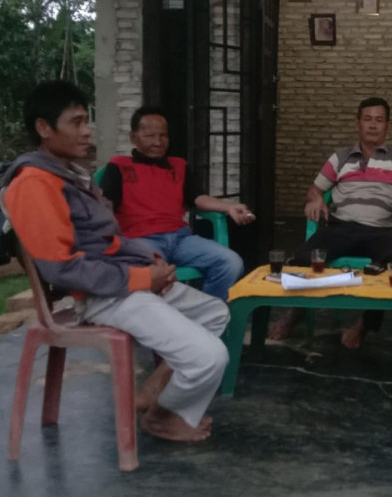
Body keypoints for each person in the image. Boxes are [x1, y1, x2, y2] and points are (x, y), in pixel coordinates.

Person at [2, 81, 230, 443]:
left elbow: (106, 240)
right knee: (210, 356)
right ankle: (166, 417)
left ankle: (155, 392)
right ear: (44, 128)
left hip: (119, 282)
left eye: (86, 121)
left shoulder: (69, 175)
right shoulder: (34, 184)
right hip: (101, 295)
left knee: (215, 313)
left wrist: (149, 258)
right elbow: (63, 269)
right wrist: (144, 279)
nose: (87, 131)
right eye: (76, 122)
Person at [270, 97, 392, 348]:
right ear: (358, 124)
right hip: (341, 228)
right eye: (368, 119)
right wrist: (316, 199)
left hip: (381, 231)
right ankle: (295, 313)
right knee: (302, 258)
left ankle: (364, 325)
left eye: (379, 120)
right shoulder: (340, 157)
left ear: (387, 126)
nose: (373, 125)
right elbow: (314, 190)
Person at [99, 106, 255, 301]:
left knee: (230, 262)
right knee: (153, 273)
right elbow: (104, 206)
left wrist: (230, 207)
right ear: (133, 137)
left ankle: (207, 314)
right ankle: (164, 319)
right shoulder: (119, 166)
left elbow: (198, 198)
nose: (158, 142)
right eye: (150, 136)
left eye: (163, 135)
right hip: (141, 240)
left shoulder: (178, 166)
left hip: (181, 239)